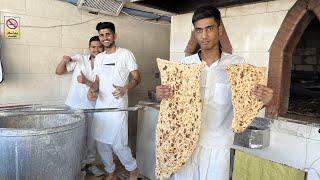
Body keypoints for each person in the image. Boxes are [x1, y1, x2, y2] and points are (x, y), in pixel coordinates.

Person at [156, 6, 274, 180]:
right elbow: (172, 104)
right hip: (185, 143)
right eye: (199, 30)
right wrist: (162, 95)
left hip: (218, 145)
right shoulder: (184, 65)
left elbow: (249, 104)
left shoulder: (237, 66)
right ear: (195, 33)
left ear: (219, 30)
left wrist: (266, 100)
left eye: (209, 28)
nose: (204, 36)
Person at [88, 22, 141, 180]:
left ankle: (133, 169)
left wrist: (125, 88)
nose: (105, 38)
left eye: (108, 34)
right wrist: (92, 90)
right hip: (101, 108)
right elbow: (97, 81)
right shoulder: (99, 58)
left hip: (117, 107)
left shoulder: (125, 54)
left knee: (118, 144)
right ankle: (110, 170)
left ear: (114, 36)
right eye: (102, 35)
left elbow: (137, 78)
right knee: (101, 143)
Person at [55, 36, 104, 177]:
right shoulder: (79, 58)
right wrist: (64, 61)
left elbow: (102, 85)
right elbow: (58, 72)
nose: (96, 49)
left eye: (99, 46)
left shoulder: (105, 63)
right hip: (74, 106)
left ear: (102, 47)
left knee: (91, 139)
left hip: (94, 106)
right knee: (75, 138)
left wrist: (88, 83)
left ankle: (89, 165)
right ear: (89, 48)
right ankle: (75, 167)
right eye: (93, 47)